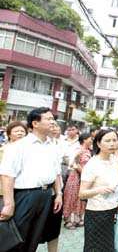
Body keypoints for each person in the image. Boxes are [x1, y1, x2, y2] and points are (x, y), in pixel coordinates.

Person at [0, 107, 63, 252]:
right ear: (35, 123)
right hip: (25, 196)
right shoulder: (19, 146)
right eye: (48, 119)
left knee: (35, 238)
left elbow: (56, 172)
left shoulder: (52, 146)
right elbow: (7, 175)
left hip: (46, 195)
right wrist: (9, 204)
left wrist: (58, 193)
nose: (53, 122)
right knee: (17, 239)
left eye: (53, 119)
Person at [79, 129, 118, 252]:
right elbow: (82, 193)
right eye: (107, 141)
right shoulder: (92, 164)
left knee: (109, 247)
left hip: (112, 210)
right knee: (95, 248)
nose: (112, 144)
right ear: (98, 143)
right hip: (96, 213)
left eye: (114, 140)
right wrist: (98, 190)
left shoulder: (114, 159)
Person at [39, 118, 64, 252]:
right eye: (51, 125)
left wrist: (59, 193)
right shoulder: (31, 145)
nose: (54, 128)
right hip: (35, 193)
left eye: (56, 126)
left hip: (54, 192)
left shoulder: (57, 145)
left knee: (53, 228)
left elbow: (57, 172)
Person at [63, 133, 92, 229]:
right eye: (90, 139)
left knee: (81, 199)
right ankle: (67, 220)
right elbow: (73, 164)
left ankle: (78, 219)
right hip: (75, 177)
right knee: (70, 197)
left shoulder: (88, 151)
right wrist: (83, 172)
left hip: (84, 178)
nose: (91, 140)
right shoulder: (78, 150)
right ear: (84, 140)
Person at [0, 121, 28, 201]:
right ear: (9, 134)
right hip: (4, 192)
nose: (20, 133)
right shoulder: (3, 150)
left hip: (22, 191)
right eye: (16, 131)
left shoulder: (29, 151)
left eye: (22, 131)